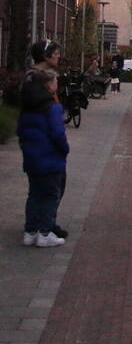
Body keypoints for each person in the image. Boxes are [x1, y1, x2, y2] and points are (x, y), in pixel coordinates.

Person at [18, 70, 69, 248]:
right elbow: (58, 134)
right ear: (48, 85)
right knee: (50, 195)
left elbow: (21, 131)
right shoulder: (52, 107)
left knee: (34, 194)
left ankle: (30, 232)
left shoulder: (28, 106)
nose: (57, 84)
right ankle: (45, 233)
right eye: (55, 81)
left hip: (31, 157)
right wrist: (64, 150)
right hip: (50, 159)